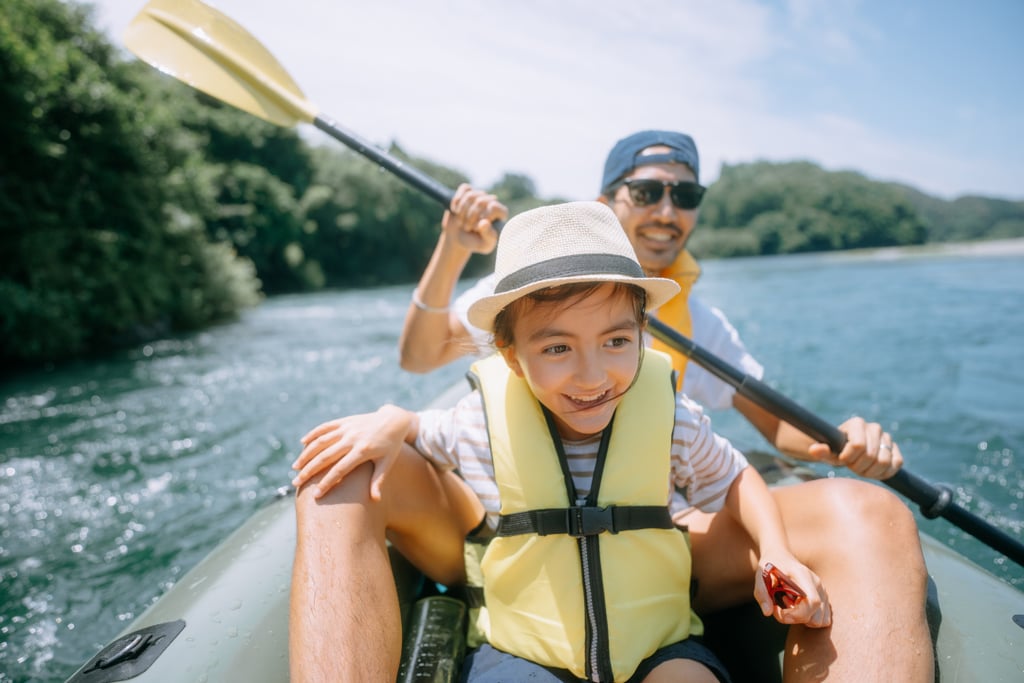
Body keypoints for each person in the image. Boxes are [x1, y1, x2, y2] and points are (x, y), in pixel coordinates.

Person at [390, 130, 933, 681]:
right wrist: (455, 247)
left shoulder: (708, 327)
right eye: (647, 193)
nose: (667, 211)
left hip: (663, 536)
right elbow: (418, 356)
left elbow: (779, 433)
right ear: (607, 204)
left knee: (866, 513)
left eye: (685, 196)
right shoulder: (522, 293)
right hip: (526, 539)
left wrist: (843, 445)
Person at [294, 201, 833, 683]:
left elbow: (736, 476)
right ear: (511, 356)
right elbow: (422, 432)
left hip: (658, 645)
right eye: (557, 349)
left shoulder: (674, 419)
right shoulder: (476, 421)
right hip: (522, 651)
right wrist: (395, 418)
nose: (592, 375)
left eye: (616, 341)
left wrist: (774, 551)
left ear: (642, 334)